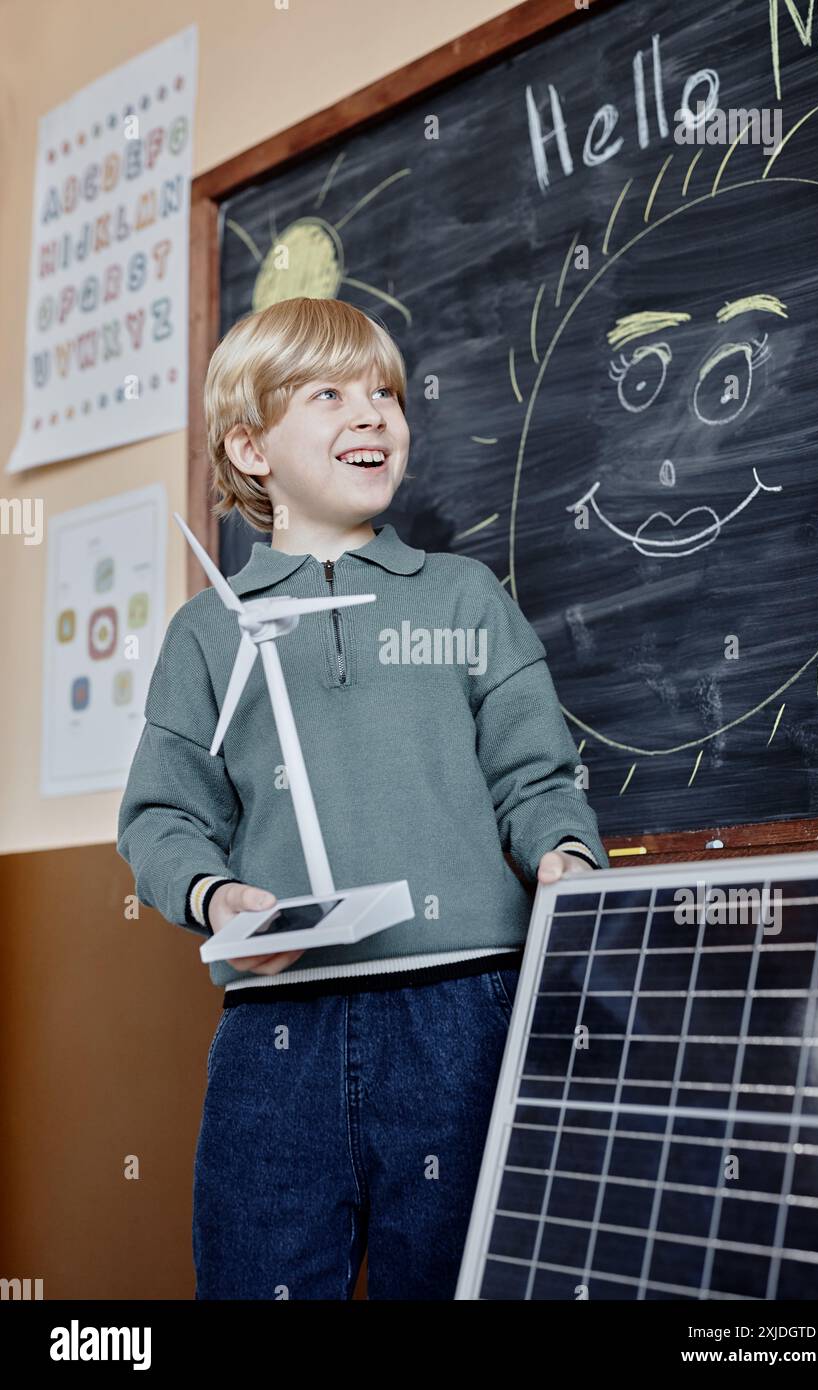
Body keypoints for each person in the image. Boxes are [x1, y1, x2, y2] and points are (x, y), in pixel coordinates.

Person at [116, 295, 608, 1300]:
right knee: (260, 1270)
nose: (374, 413)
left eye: (385, 392)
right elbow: (162, 812)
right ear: (249, 447)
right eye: (331, 393)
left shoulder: (462, 594)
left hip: (463, 1006)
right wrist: (213, 895)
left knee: (468, 1275)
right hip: (275, 1024)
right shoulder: (209, 630)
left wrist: (563, 851)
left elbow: (533, 773)